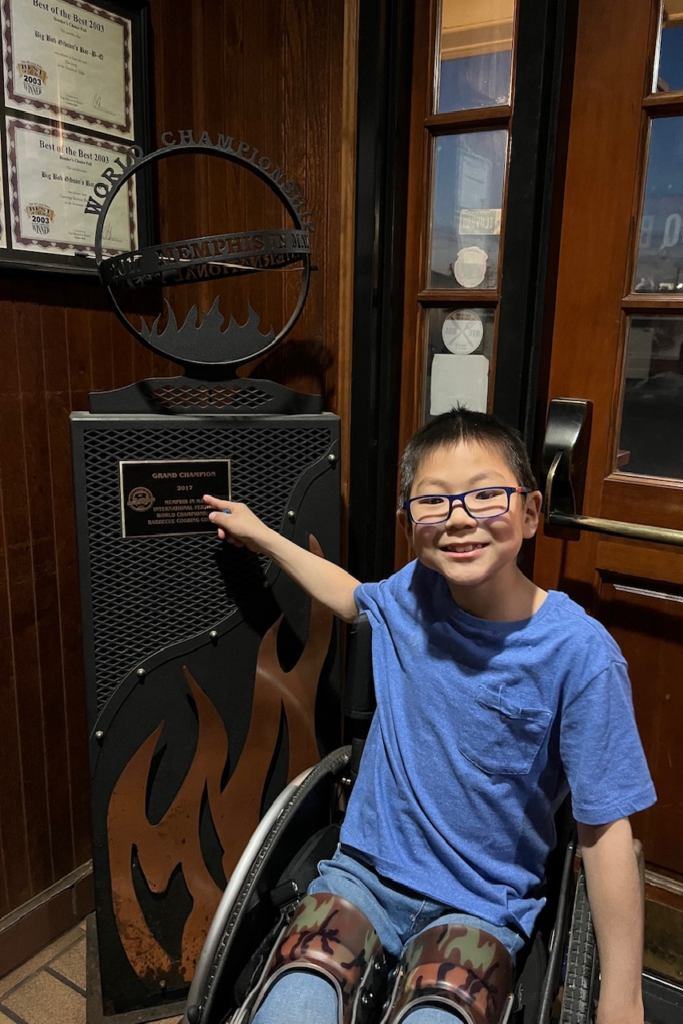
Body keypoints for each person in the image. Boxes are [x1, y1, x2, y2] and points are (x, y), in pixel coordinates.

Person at [203, 408, 656, 1024]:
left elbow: (605, 831)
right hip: (360, 879)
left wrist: (621, 1000)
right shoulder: (413, 590)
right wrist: (261, 536)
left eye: (486, 495)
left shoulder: (580, 656)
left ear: (530, 512)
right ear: (409, 526)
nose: (460, 518)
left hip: (481, 909)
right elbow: (349, 596)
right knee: (289, 1006)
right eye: (434, 502)